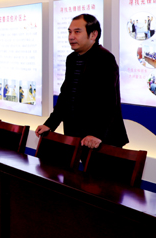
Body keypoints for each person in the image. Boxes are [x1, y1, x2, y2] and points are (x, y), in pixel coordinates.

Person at [36, 14, 128, 148]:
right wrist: (50, 124)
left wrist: (97, 134)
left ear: (93, 35)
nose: (71, 37)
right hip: (76, 135)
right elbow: (66, 96)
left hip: (101, 139)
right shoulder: (72, 59)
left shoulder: (104, 58)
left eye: (77, 32)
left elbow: (108, 101)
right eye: (70, 32)